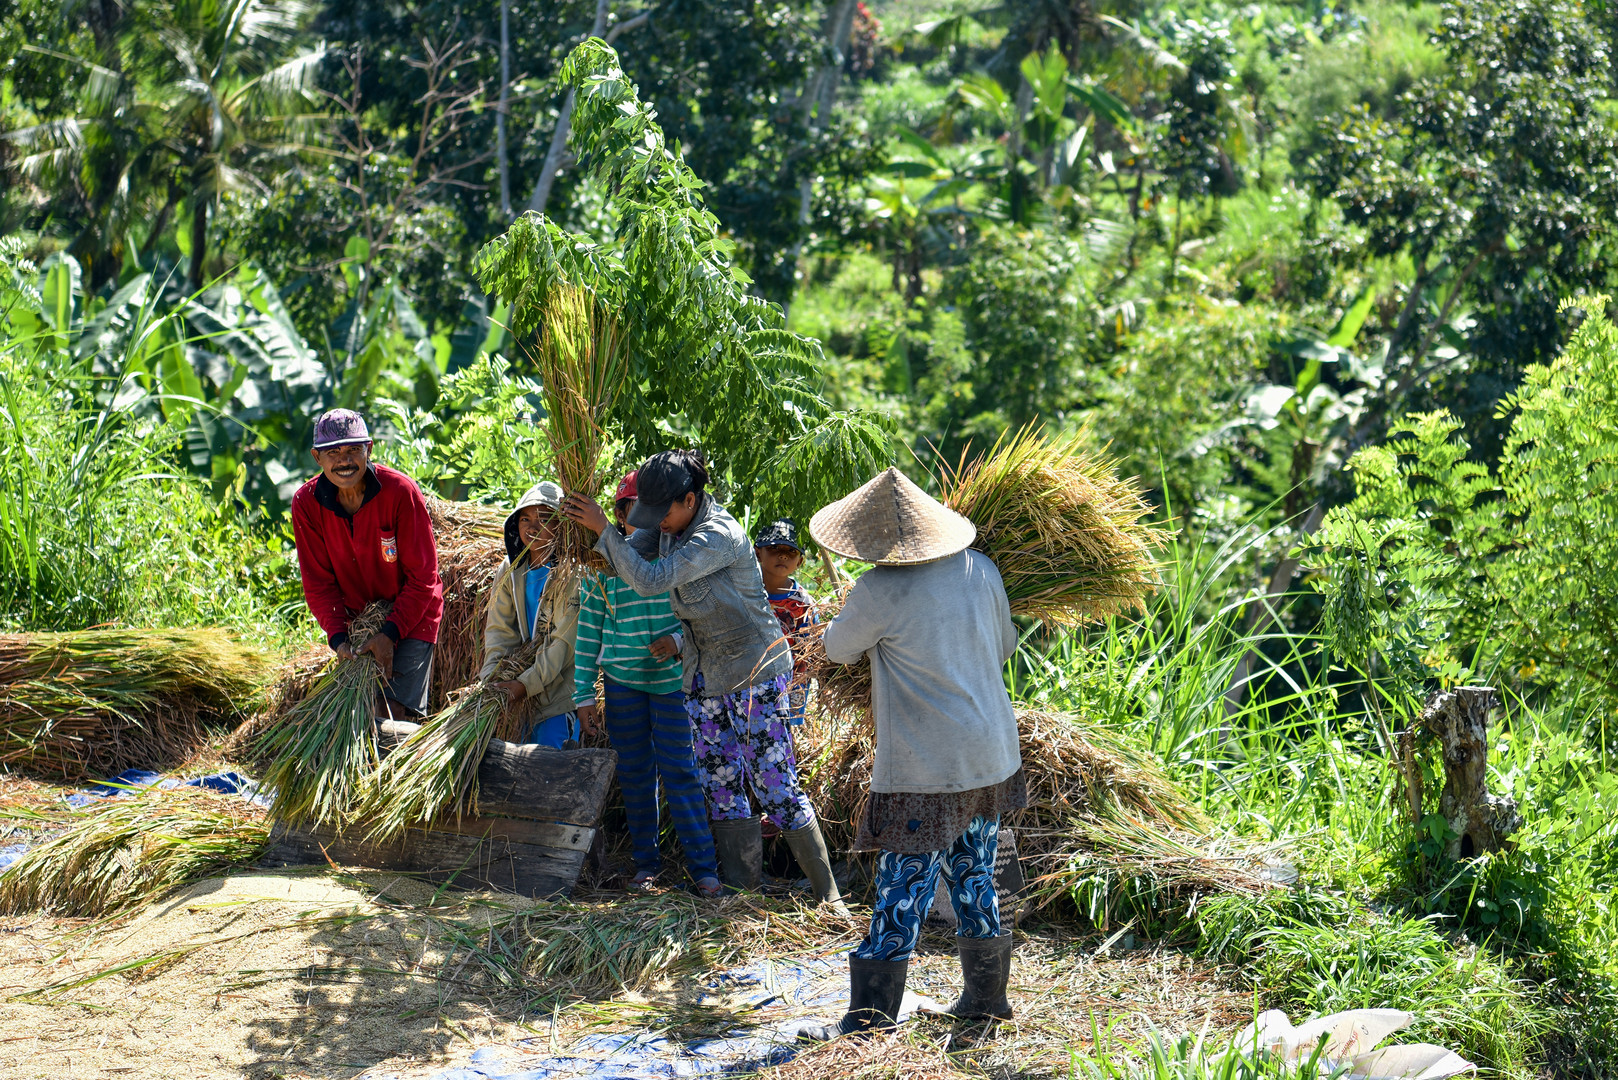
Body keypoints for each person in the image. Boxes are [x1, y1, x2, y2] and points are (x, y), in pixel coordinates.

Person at [799, 467, 1025, 1041]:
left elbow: (836, 649)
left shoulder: (879, 589)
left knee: (904, 886)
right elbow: (1004, 646)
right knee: (975, 874)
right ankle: (985, 1000)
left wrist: (848, 607)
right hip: (991, 751)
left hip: (927, 764)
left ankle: (868, 1017)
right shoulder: (983, 569)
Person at [560, 450, 844, 906]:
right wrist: (589, 538)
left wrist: (602, 531)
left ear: (690, 500)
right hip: (703, 676)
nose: (655, 522)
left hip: (753, 672)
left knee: (774, 784)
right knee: (720, 783)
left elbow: (651, 580)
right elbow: (625, 559)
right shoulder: (668, 526)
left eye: (662, 513)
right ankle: (741, 896)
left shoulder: (718, 535)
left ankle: (828, 898)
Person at [574, 472, 722, 897]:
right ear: (618, 516)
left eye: (647, 511)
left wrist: (676, 641)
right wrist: (584, 694)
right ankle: (646, 865)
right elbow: (589, 631)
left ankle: (704, 869)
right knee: (636, 774)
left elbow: (699, 617)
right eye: (629, 510)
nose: (638, 519)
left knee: (681, 771)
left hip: (674, 682)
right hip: (622, 682)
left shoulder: (676, 557)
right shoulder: (601, 566)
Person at [292, 409, 444, 720]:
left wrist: (391, 631)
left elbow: (423, 578)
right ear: (316, 457)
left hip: (414, 613)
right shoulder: (306, 503)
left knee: (395, 714)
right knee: (360, 716)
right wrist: (338, 639)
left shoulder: (400, 492)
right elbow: (319, 584)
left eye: (352, 449)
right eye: (332, 452)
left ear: (369, 450)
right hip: (358, 619)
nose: (343, 460)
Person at [481, 482, 582, 748]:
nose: (532, 527)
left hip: (559, 699)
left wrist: (525, 685)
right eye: (525, 518)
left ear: (561, 526)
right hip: (522, 699)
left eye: (544, 518)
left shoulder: (571, 575)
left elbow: (563, 643)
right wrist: (491, 680)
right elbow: (499, 630)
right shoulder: (511, 569)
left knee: (549, 773)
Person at [754, 519, 818, 727]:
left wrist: (794, 707)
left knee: (779, 738)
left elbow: (804, 657)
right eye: (774, 549)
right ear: (757, 553)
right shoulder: (745, 592)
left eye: (791, 551)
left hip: (785, 686)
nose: (782, 555)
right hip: (746, 683)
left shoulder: (803, 605)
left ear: (800, 562)